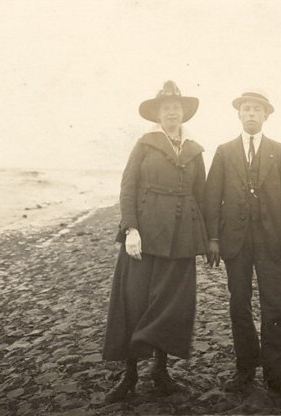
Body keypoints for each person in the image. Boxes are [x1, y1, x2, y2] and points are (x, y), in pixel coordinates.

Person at [102, 81, 208, 402]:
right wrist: (131, 230)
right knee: (135, 301)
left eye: (177, 108)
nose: (172, 112)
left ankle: (160, 371)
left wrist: (207, 241)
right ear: (158, 114)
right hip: (145, 237)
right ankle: (129, 375)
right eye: (166, 108)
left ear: (183, 113)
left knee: (172, 305)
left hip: (182, 239)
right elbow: (128, 189)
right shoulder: (144, 145)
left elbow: (202, 196)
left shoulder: (194, 150)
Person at [204, 90, 281, 401]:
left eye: (257, 110)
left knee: (276, 307)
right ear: (239, 114)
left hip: (273, 243)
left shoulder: (280, 151)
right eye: (246, 109)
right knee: (239, 304)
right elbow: (211, 199)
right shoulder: (224, 151)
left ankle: (278, 376)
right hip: (235, 242)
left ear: (266, 116)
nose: (251, 114)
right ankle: (245, 369)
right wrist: (213, 239)